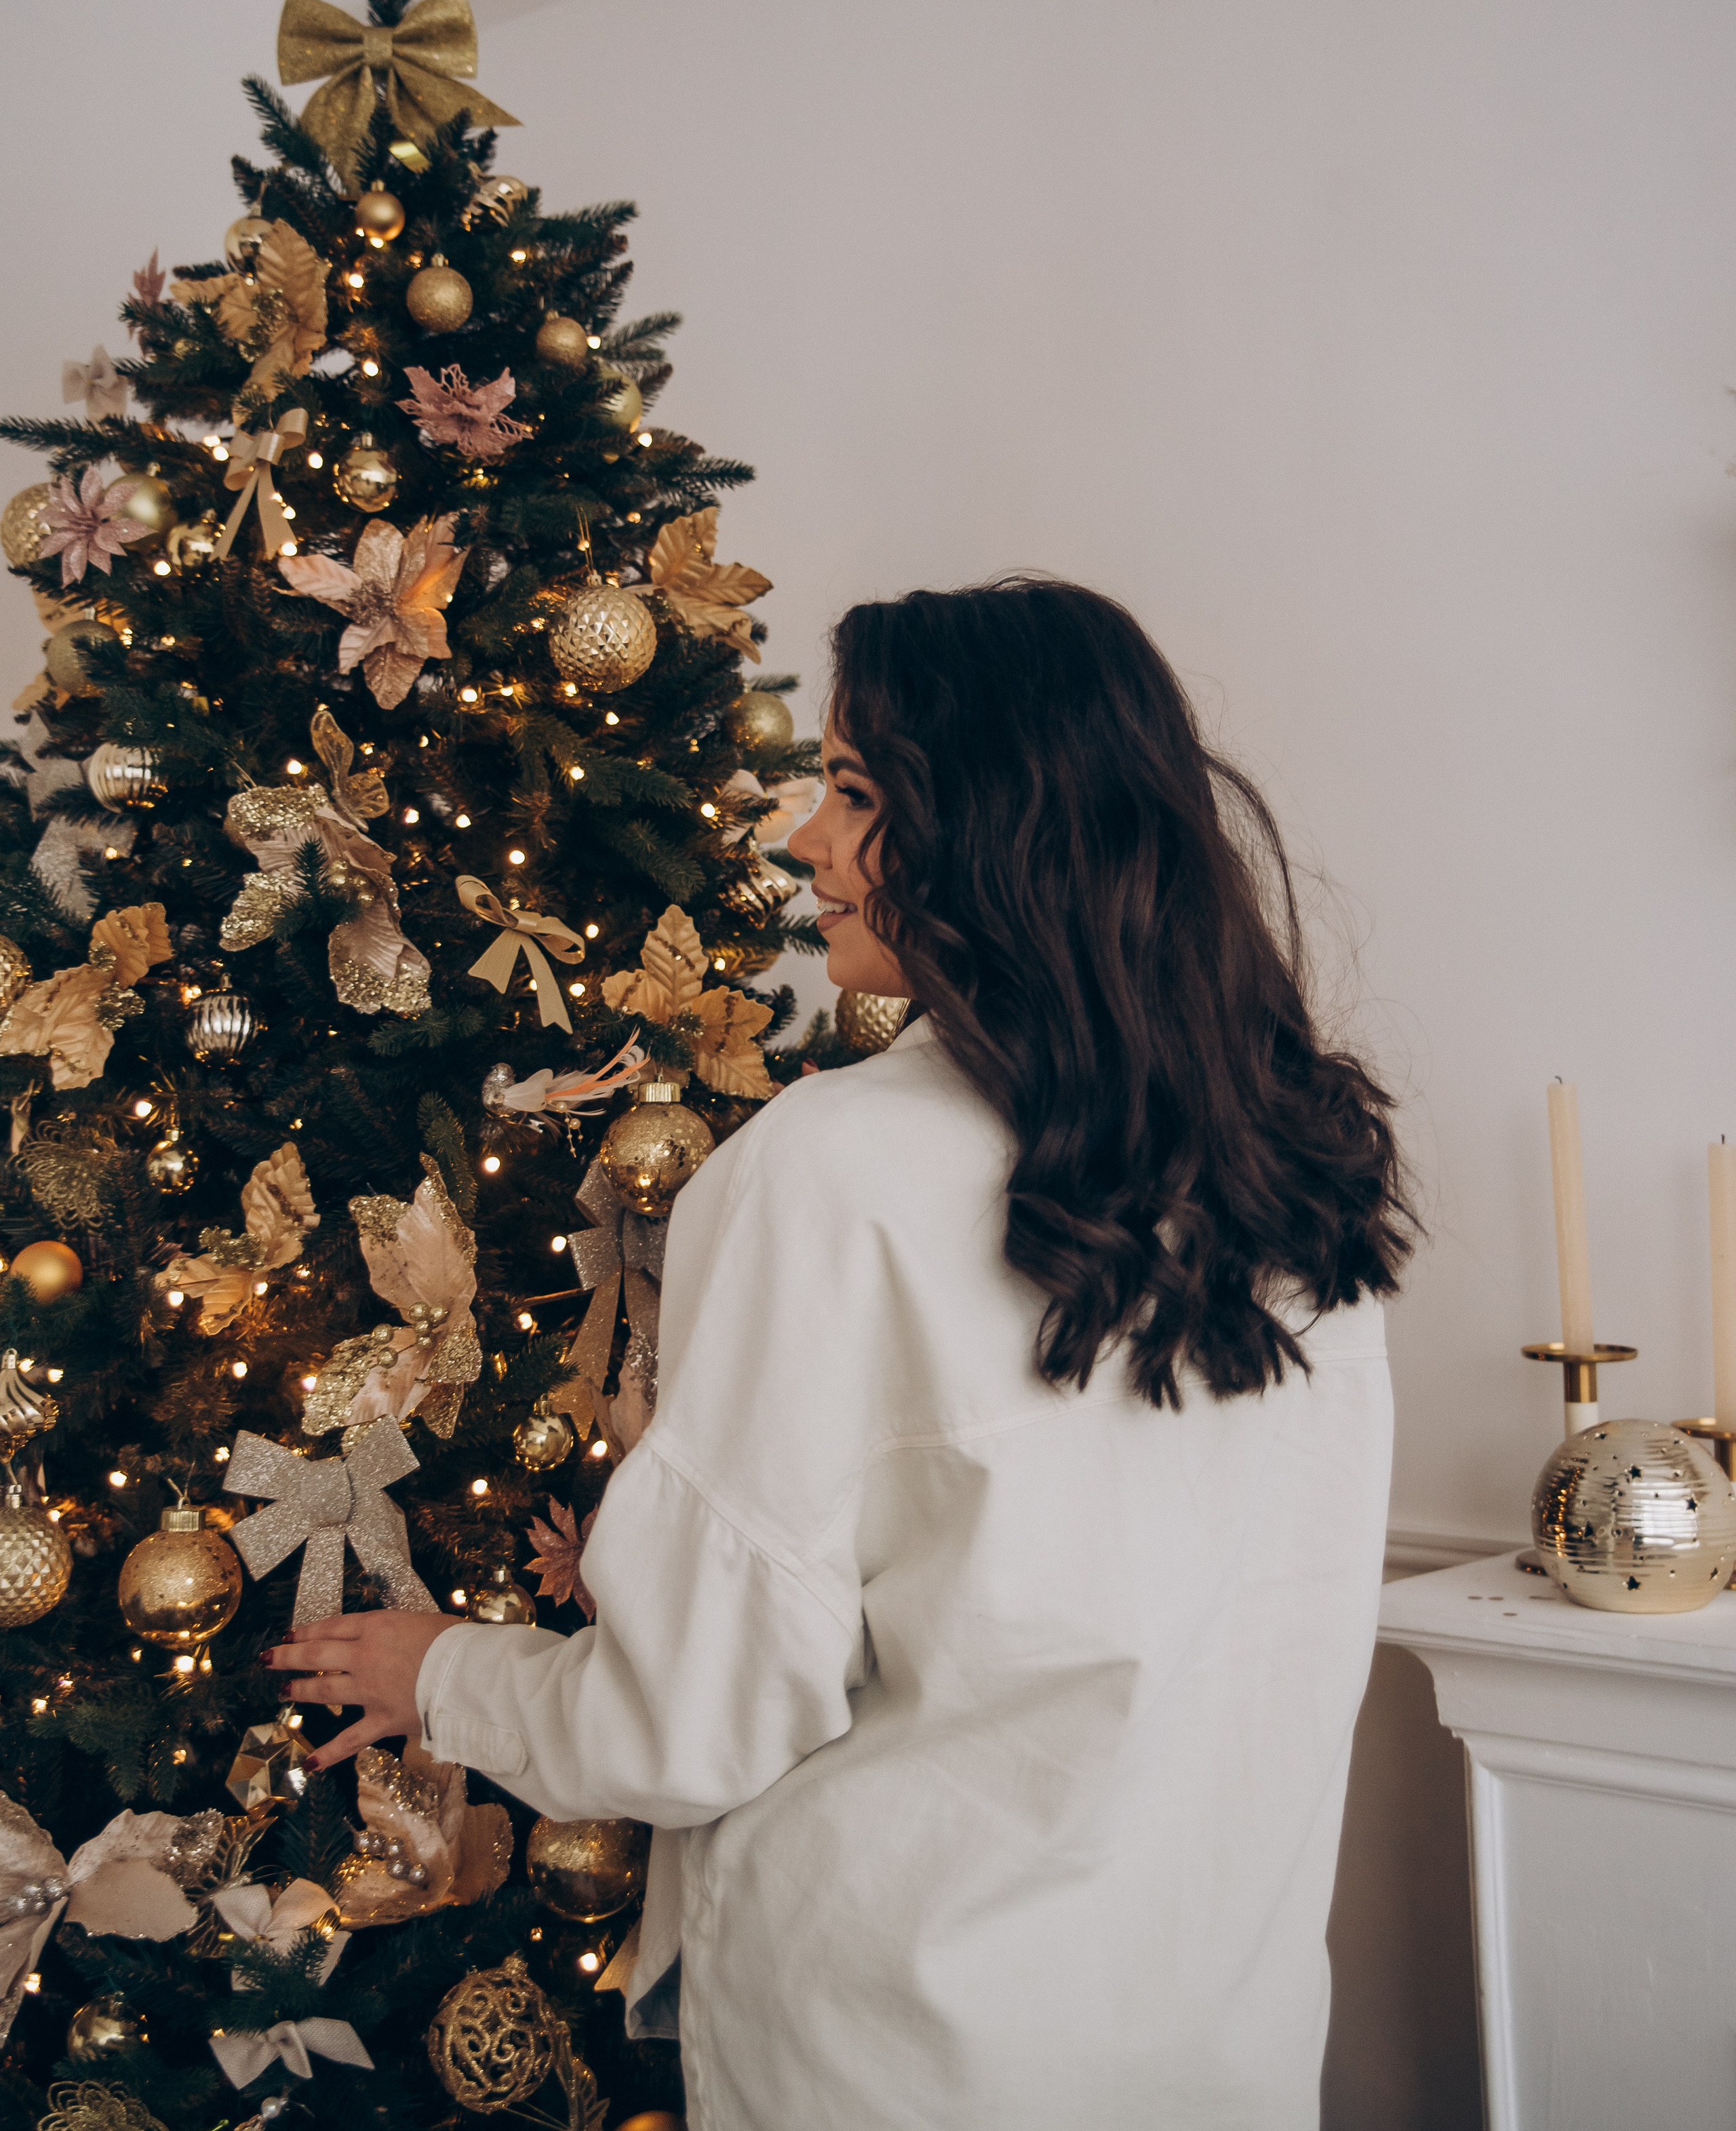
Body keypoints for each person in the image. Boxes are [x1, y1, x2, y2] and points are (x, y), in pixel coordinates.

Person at [269, 577, 1412, 2131]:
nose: (803, 840)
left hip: (900, 2065)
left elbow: (694, 1723)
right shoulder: (1294, 1162)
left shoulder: (835, 1170)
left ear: (996, 827)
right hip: (1219, 2045)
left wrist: (449, 1674)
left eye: (857, 791)